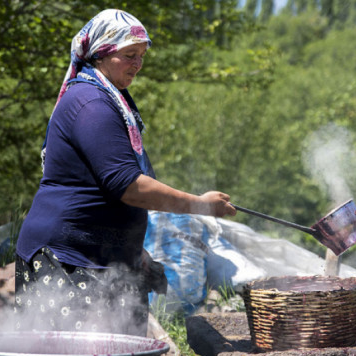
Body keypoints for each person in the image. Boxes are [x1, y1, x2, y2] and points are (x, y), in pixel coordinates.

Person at [14, 9, 236, 337]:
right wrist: (200, 205)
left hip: (107, 259)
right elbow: (127, 185)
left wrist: (133, 249)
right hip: (68, 261)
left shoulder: (115, 101)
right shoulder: (90, 103)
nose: (137, 64)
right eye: (129, 55)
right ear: (102, 53)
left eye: (142, 56)